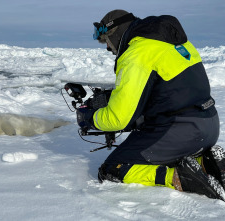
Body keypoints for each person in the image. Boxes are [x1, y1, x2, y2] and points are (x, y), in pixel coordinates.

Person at [76, 9, 225, 200]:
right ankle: (205, 162)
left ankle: (180, 177)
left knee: (113, 168)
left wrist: (89, 118)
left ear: (116, 33)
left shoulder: (136, 53)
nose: (108, 48)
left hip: (181, 129)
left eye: (106, 41)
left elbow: (118, 119)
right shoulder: (173, 43)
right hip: (209, 127)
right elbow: (168, 92)